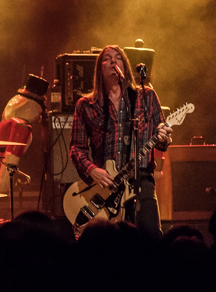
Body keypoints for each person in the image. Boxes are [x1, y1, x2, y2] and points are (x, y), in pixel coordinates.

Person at [69, 45, 171, 236]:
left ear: (125, 67)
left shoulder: (146, 95)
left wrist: (164, 136)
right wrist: (92, 170)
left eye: (118, 58)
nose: (113, 61)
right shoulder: (86, 105)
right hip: (106, 184)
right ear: (99, 68)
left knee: (151, 234)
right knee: (110, 241)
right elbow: (76, 148)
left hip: (141, 179)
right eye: (107, 58)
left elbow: (162, 141)